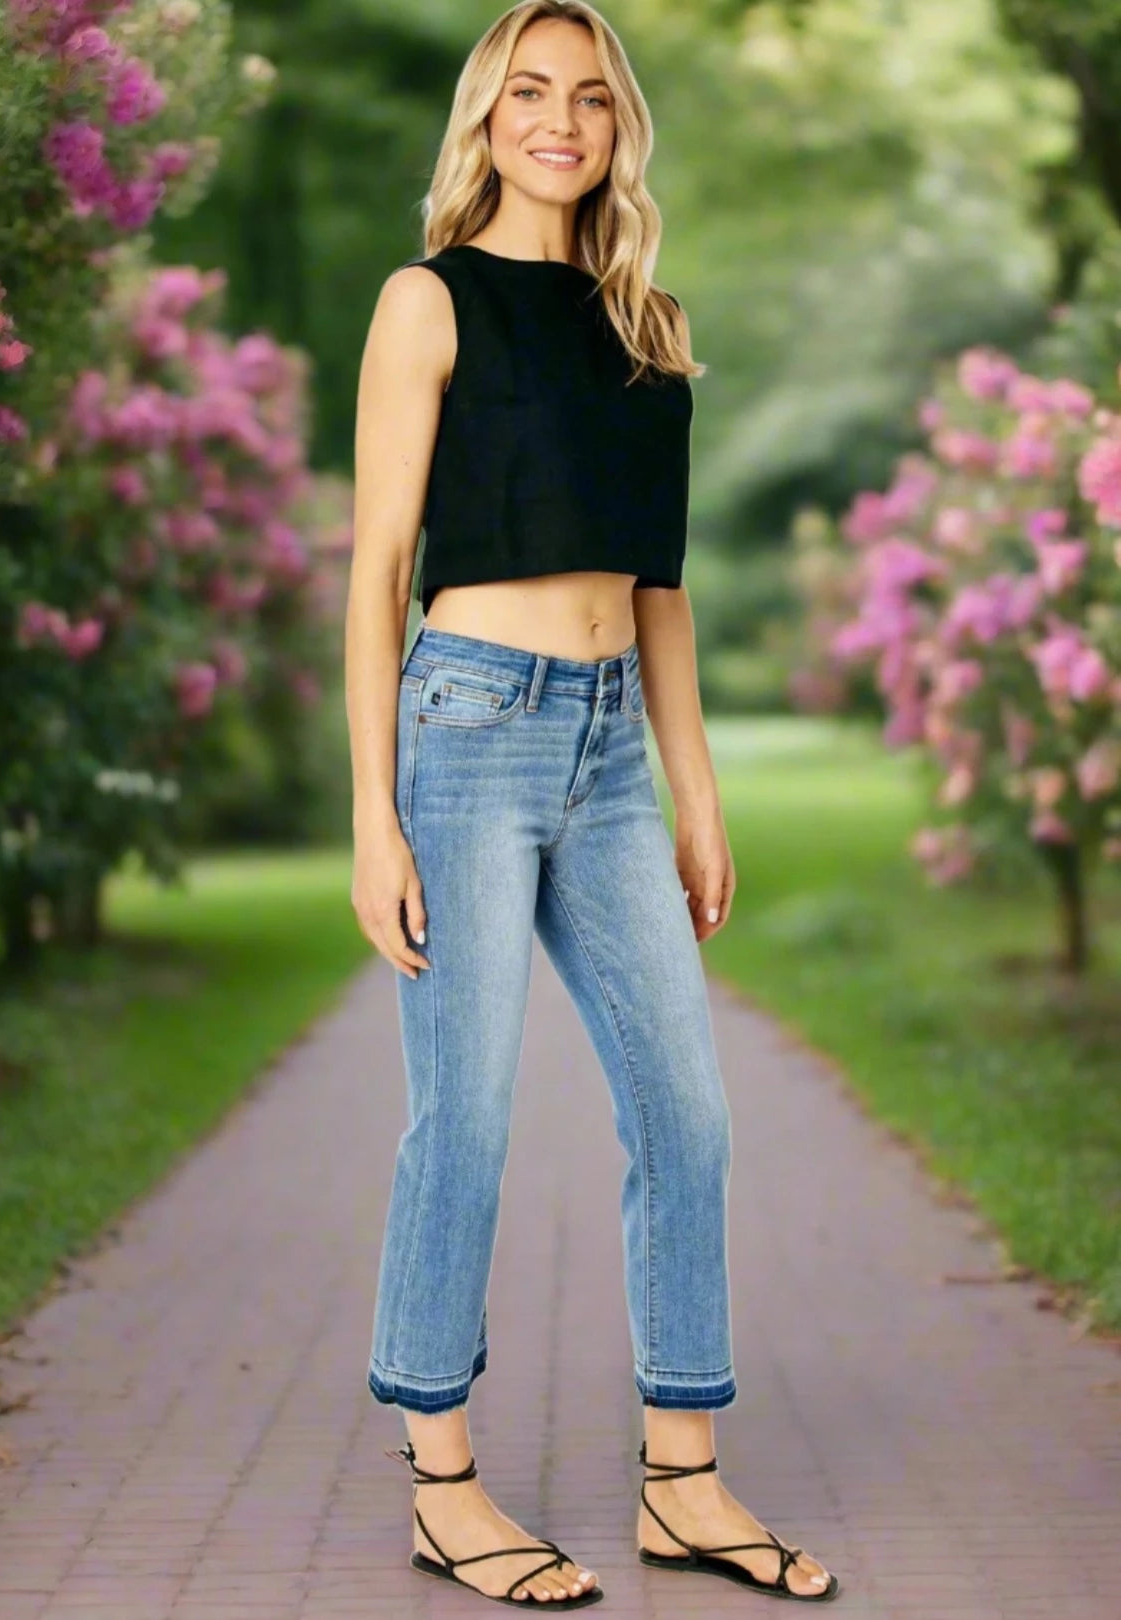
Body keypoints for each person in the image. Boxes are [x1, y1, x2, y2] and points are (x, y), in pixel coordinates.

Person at [345, 0, 838, 1607]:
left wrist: (695, 795)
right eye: (528, 92)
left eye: (589, 97)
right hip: (468, 729)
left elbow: (664, 590)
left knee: (683, 1113)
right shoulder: (426, 305)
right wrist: (373, 813)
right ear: (486, 116)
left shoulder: (648, 325)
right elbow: (374, 578)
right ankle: (440, 1478)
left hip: (614, 745)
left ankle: (683, 1481)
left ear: (619, 127)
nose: (560, 119)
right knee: (464, 1120)